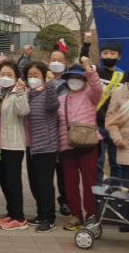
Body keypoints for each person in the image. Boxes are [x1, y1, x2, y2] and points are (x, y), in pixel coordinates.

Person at [57, 59, 102, 231]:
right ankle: (76, 214)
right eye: (71, 78)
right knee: (70, 182)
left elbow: (97, 87)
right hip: (67, 145)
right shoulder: (61, 99)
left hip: (88, 144)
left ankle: (91, 214)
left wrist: (88, 69)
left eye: (78, 77)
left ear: (84, 80)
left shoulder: (91, 95)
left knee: (90, 181)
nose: (74, 81)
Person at [81, 37, 124, 184]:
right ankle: (98, 192)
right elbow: (84, 61)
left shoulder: (123, 76)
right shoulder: (96, 71)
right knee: (97, 163)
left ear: (119, 56)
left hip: (115, 126)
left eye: (112, 53)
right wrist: (86, 45)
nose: (108, 56)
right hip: (96, 125)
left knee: (116, 163)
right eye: (105, 53)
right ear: (100, 55)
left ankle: (116, 193)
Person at [24, 61, 60, 233]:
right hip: (31, 146)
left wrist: (50, 84)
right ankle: (40, 213)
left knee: (45, 184)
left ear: (44, 77)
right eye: (30, 75)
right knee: (35, 182)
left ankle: (49, 218)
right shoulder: (29, 94)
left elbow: (54, 105)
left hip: (46, 146)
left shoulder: (48, 92)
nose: (32, 78)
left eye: (36, 75)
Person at [0, 61, 30, 231]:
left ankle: (19, 218)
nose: (5, 77)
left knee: (13, 181)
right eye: (3, 74)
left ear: (16, 77)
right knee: (4, 181)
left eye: (9, 74)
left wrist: (21, 92)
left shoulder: (18, 92)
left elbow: (23, 111)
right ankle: (11, 212)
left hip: (13, 144)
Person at [48, 49, 72, 216]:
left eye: (60, 59)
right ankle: (46, 205)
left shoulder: (71, 82)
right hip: (46, 132)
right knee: (46, 173)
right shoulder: (42, 80)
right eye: (53, 59)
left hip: (64, 132)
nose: (56, 62)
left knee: (65, 171)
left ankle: (65, 201)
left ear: (65, 63)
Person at [106, 76, 129, 233]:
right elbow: (111, 119)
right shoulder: (119, 92)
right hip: (126, 145)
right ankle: (126, 219)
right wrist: (117, 138)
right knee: (127, 185)